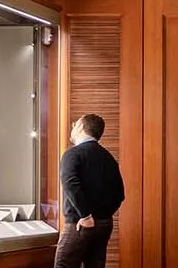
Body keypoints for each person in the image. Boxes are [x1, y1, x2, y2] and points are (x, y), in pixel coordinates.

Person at [55, 112, 124, 268]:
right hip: (104, 224)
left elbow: (70, 183)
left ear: (80, 127)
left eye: (75, 124)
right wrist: (103, 215)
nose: (73, 127)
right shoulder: (108, 157)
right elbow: (120, 193)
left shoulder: (72, 154)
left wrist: (86, 216)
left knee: (63, 266)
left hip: (79, 224)